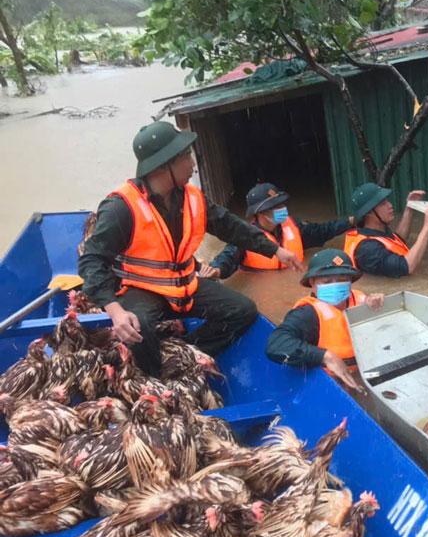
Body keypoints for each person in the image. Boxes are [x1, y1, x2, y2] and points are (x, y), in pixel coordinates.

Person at [78, 121, 303, 377]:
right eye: (186, 156)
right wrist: (115, 310)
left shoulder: (192, 197)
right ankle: (156, 378)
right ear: (163, 166)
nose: (193, 164)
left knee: (243, 311)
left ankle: (184, 355)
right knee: (139, 329)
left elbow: (229, 226)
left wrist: (275, 250)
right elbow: (92, 260)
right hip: (141, 289)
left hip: (184, 285)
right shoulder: (121, 207)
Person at [266, 248, 383, 391]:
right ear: (312, 283)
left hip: (364, 371)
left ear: (350, 281)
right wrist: (325, 356)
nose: (335, 285)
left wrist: (379, 304)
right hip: (330, 381)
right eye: (327, 281)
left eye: (342, 280)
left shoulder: (361, 299)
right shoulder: (307, 314)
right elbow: (276, 344)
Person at [200, 182, 352, 278]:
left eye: (282, 204)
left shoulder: (294, 227)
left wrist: (349, 222)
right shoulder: (245, 237)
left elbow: (323, 231)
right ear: (260, 213)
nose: (282, 209)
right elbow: (227, 258)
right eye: (275, 207)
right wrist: (216, 270)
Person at [342, 182, 428, 277]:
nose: (390, 205)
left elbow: (397, 240)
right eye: (382, 203)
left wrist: (409, 208)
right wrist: (427, 227)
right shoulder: (368, 249)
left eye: (387, 200)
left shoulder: (375, 232)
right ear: (369, 213)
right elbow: (407, 267)